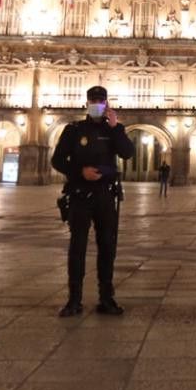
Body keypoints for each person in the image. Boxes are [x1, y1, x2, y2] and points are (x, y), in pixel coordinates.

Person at [52, 85, 132, 317]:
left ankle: (106, 298)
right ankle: (73, 300)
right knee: (77, 247)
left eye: (101, 100)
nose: (97, 103)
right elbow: (57, 160)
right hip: (79, 194)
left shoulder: (115, 130)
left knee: (108, 247)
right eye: (93, 100)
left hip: (106, 195)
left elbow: (127, 153)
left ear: (107, 103)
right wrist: (80, 172)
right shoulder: (74, 130)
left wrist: (116, 127)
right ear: (87, 102)